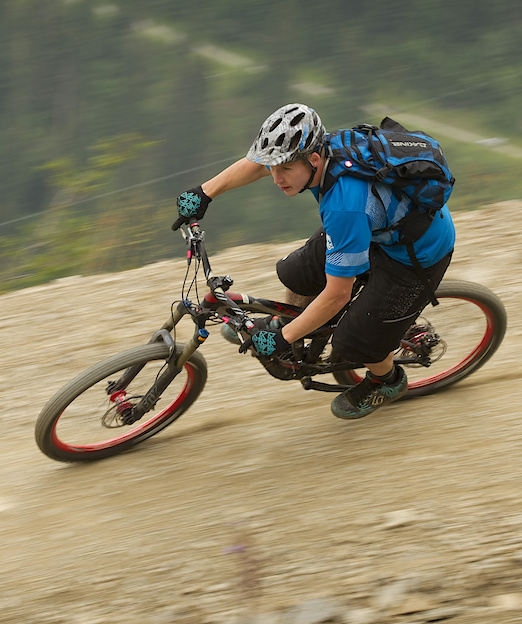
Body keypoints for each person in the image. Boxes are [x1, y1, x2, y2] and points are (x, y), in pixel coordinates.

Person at [175, 103, 455, 420]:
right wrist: (204, 192)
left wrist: (280, 340)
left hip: (414, 257)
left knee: (353, 342)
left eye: (285, 169)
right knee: (295, 272)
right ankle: (293, 325)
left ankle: (386, 380)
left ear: (314, 160)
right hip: (371, 230)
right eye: (273, 168)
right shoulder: (318, 148)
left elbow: (338, 294)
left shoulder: (343, 206)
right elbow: (258, 163)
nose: (275, 178)